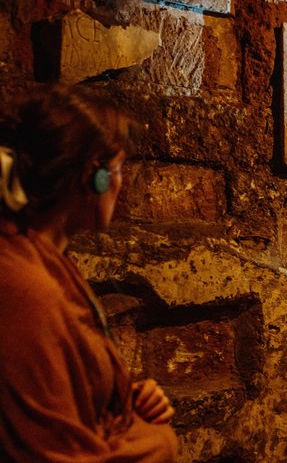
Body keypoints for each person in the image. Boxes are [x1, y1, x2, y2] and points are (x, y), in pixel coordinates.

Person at [0, 83, 178, 461]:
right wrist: (156, 442)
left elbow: (64, 386)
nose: (120, 184)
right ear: (92, 176)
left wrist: (124, 398)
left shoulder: (48, 261)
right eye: (117, 169)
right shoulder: (26, 290)